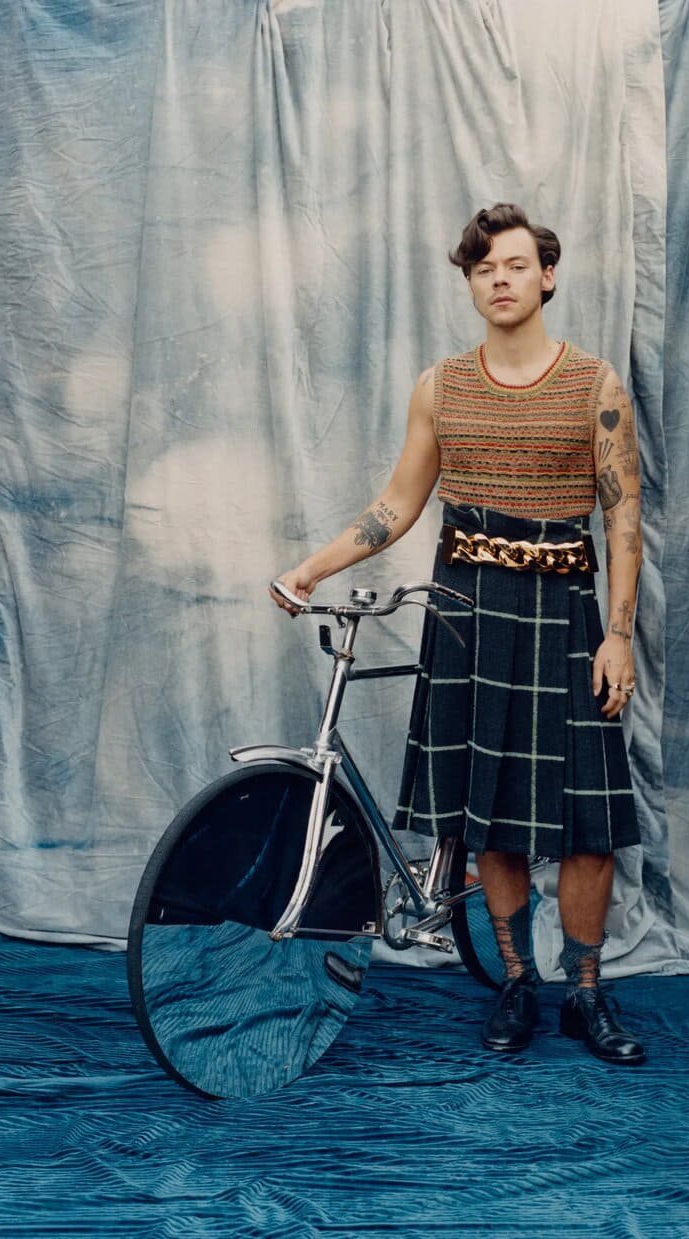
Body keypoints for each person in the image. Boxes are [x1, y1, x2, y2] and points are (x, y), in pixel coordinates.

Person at [272, 203, 645, 1065]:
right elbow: (397, 504)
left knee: (589, 822)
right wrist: (312, 568)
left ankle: (586, 993)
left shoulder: (595, 386)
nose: (500, 281)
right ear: (471, 285)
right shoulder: (440, 387)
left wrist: (619, 634)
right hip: (468, 610)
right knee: (491, 816)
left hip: (565, 611)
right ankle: (517, 981)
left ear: (546, 275)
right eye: (484, 270)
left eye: (515, 265)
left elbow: (624, 517)